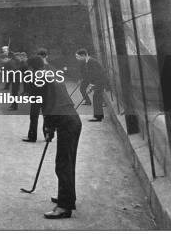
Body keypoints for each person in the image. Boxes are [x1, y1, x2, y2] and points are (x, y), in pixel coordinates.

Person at [27, 55, 82, 219]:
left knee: (63, 164)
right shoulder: (50, 73)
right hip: (72, 120)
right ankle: (68, 196)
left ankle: (64, 207)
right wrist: (50, 127)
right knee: (67, 162)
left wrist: (48, 128)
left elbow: (46, 106)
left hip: (66, 121)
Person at [75, 48, 108, 122]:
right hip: (98, 81)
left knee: (96, 98)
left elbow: (96, 74)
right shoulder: (88, 61)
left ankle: (98, 117)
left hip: (100, 81)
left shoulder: (91, 61)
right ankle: (99, 116)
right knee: (96, 97)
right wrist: (92, 85)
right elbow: (91, 74)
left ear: (83, 55)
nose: (78, 59)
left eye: (79, 57)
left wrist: (93, 85)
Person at [23, 48, 48, 143]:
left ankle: (32, 136)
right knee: (46, 116)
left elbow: (30, 87)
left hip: (36, 97)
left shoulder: (32, 74)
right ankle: (48, 135)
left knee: (34, 117)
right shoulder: (45, 72)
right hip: (46, 97)